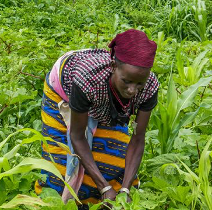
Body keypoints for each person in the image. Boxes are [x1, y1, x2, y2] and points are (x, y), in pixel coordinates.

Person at [35, 29, 159, 208]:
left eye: (139, 83)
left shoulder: (149, 88)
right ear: (114, 67)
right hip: (64, 91)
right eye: (127, 81)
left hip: (107, 101)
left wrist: (124, 191)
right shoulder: (86, 80)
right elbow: (77, 136)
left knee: (114, 167)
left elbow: (138, 138)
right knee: (60, 175)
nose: (133, 90)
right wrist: (103, 187)